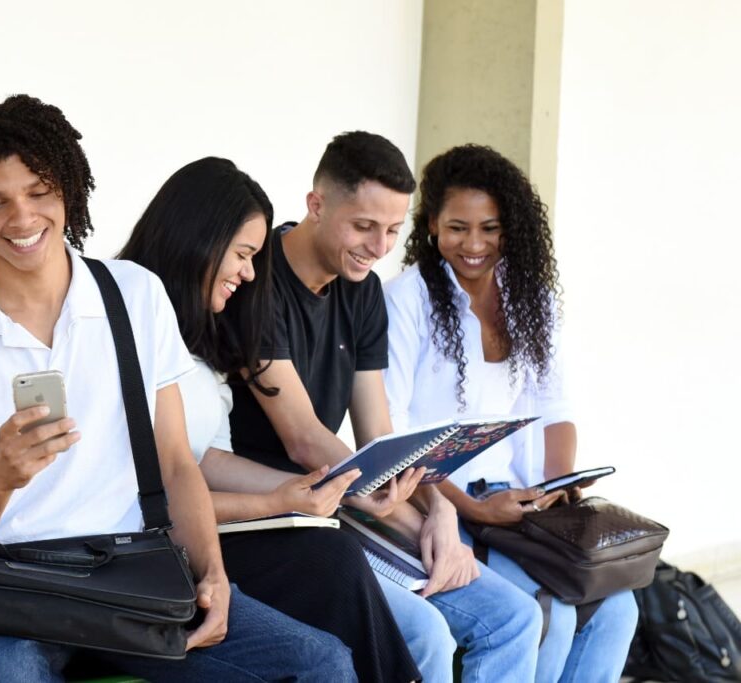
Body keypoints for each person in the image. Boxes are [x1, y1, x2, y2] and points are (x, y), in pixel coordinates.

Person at [0, 94, 357, 683]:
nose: (23, 219)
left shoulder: (134, 295)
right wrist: (1, 475)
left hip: (126, 577)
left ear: (69, 191)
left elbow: (177, 465)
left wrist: (211, 571)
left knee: (320, 664)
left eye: (39, 193)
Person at [227, 132, 544, 682]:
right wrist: (389, 499)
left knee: (513, 616)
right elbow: (303, 436)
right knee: (426, 634)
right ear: (316, 205)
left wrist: (437, 509)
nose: (379, 247)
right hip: (276, 508)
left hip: (340, 494)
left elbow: (378, 429)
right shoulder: (259, 282)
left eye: (393, 231)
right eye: (364, 226)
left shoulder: (363, 291)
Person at [119, 156, 422, 683]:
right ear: (199, 240)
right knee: (330, 561)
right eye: (242, 254)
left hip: (200, 531)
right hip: (152, 546)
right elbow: (146, 494)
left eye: (255, 256)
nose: (250, 272)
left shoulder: (202, 335)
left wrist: (305, 490)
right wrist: (275, 501)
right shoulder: (121, 316)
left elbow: (207, 458)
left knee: (331, 554)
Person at [383, 143, 639, 682]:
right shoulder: (406, 300)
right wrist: (473, 511)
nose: (474, 244)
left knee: (619, 609)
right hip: (442, 503)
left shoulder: (531, 299)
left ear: (511, 227)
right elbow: (393, 429)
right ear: (431, 226)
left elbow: (553, 404)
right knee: (549, 611)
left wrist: (556, 482)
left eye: (490, 228)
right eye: (458, 227)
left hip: (521, 506)